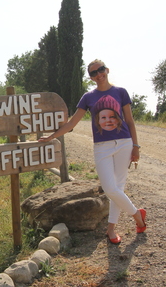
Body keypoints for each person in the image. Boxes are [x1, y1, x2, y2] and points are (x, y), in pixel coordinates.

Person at [39, 59, 146, 244]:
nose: (98, 74)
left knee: (117, 188)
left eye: (101, 70)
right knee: (110, 188)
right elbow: (73, 123)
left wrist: (136, 146)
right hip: (102, 148)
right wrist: (52, 136)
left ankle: (111, 229)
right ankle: (138, 215)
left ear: (107, 70)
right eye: (93, 73)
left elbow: (129, 120)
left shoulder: (121, 92)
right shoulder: (88, 97)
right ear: (91, 78)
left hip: (124, 143)